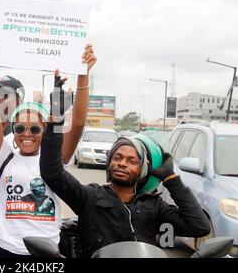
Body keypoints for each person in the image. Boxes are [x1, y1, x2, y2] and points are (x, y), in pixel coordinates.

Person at [39, 94, 211, 257]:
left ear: (143, 171)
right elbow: (52, 173)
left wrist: (171, 180)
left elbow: (199, 227)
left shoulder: (155, 206)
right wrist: (55, 119)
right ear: (109, 164)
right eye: (118, 157)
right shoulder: (90, 197)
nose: (122, 163)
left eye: (132, 161)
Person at [0, 32, 97, 257]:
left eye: (35, 129)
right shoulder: (3, 154)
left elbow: (79, 122)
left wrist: (83, 75)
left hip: (47, 250)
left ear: (45, 131)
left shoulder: (54, 159)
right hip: (5, 248)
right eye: (19, 128)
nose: (26, 134)